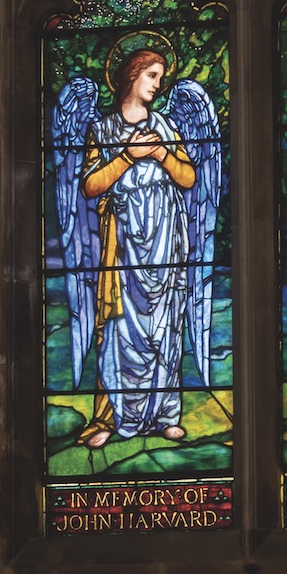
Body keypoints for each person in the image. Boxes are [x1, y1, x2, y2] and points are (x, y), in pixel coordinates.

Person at [77, 49, 197, 448]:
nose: (157, 84)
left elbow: (188, 177)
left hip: (165, 238)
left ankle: (165, 414)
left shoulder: (165, 125)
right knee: (120, 327)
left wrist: (161, 152)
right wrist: (129, 156)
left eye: (160, 76)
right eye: (152, 75)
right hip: (123, 242)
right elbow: (91, 186)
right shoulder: (103, 129)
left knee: (164, 325)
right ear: (131, 76)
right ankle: (111, 418)